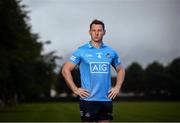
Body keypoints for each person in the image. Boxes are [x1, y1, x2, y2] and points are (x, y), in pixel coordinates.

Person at [62, 19, 125, 122]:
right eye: (94, 30)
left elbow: (121, 70)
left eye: (99, 30)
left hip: (106, 99)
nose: (96, 33)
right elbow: (65, 70)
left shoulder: (111, 52)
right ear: (89, 32)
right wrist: (75, 89)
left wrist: (117, 87)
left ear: (104, 32)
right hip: (88, 100)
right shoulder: (81, 51)